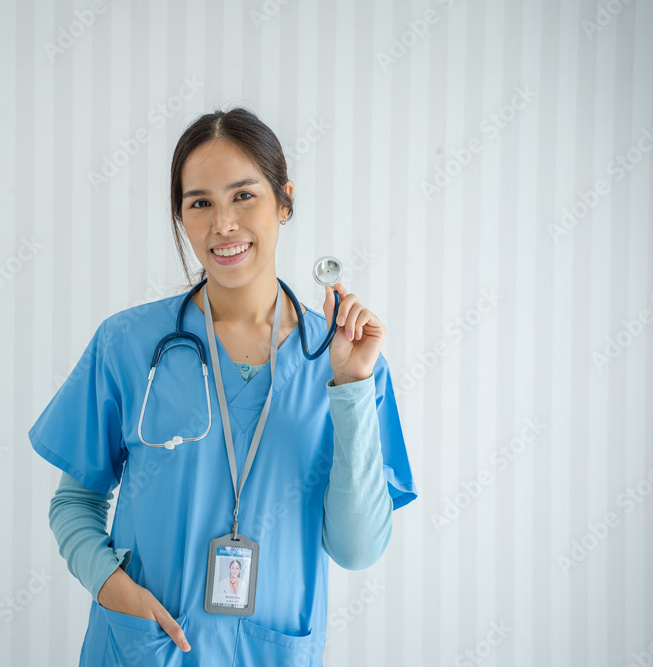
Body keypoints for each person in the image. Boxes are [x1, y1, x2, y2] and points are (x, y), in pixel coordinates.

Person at [29, 106, 417, 666]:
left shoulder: (346, 359)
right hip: (147, 648)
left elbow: (356, 550)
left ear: (284, 200)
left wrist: (351, 388)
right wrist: (111, 586)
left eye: (244, 196)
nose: (223, 224)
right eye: (200, 203)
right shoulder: (128, 345)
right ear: (181, 216)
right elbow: (76, 500)